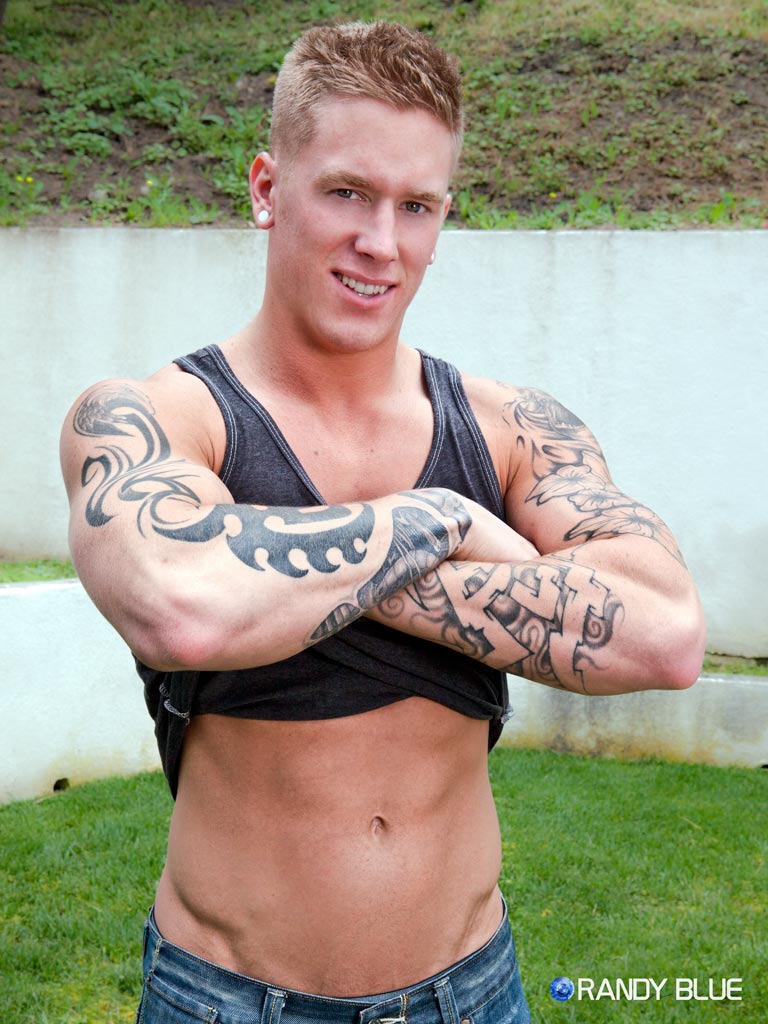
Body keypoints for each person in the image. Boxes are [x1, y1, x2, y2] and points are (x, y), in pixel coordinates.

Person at [60, 20, 705, 1024]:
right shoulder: (153, 416)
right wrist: (438, 516)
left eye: (417, 206)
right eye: (347, 192)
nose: (381, 242)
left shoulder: (510, 427)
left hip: (473, 993)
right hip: (226, 1000)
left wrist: (293, 573)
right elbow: (183, 608)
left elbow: (664, 637)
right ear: (268, 189)